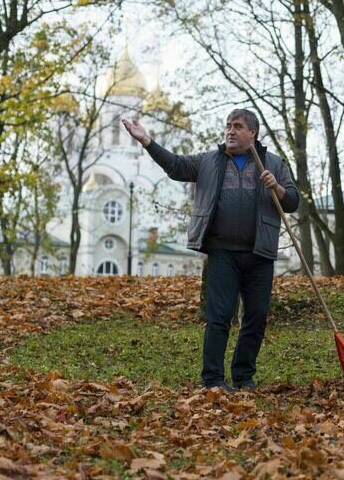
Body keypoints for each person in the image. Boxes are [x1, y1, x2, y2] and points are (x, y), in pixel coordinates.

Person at [123, 109, 299, 392]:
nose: (230, 131)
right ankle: (213, 380)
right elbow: (176, 166)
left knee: (256, 318)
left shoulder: (274, 164)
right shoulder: (210, 161)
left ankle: (243, 377)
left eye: (238, 126)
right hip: (223, 252)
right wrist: (147, 141)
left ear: (252, 133)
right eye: (228, 126)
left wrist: (276, 187)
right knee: (219, 317)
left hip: (260, 253)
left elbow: (292, 202)